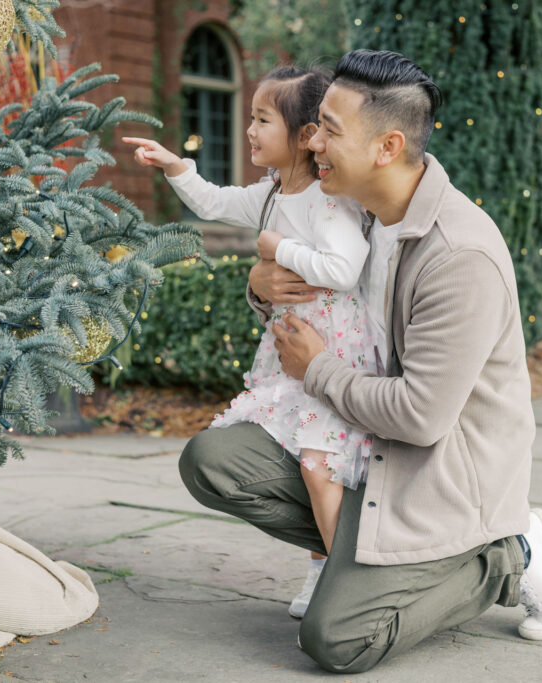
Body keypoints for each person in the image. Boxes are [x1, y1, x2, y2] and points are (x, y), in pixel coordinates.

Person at [177, 49, 542, 673]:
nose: (313, 143)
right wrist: (262, 287)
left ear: (388, 146)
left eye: (330, 130)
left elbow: (420, 418)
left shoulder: (457, 255)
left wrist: (317, 372)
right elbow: (320, 307)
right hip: (367, 442)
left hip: (439, 474)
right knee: (214, 461)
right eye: (314, 125)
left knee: (337, 639)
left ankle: (508, 550)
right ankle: (363, 563)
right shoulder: (353, 207)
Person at [122, 65, 377, 618]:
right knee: (297, 461)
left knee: (318, 465)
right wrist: (176, 168)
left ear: (307, 135)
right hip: (290, 355)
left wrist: (276, 249)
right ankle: (319, 565)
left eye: (262, 119)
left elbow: (345, 268)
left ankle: (344, 582)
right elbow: (214, 203)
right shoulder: (270, 195)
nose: (250, 131)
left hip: (332, 354)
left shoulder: (326, 200)